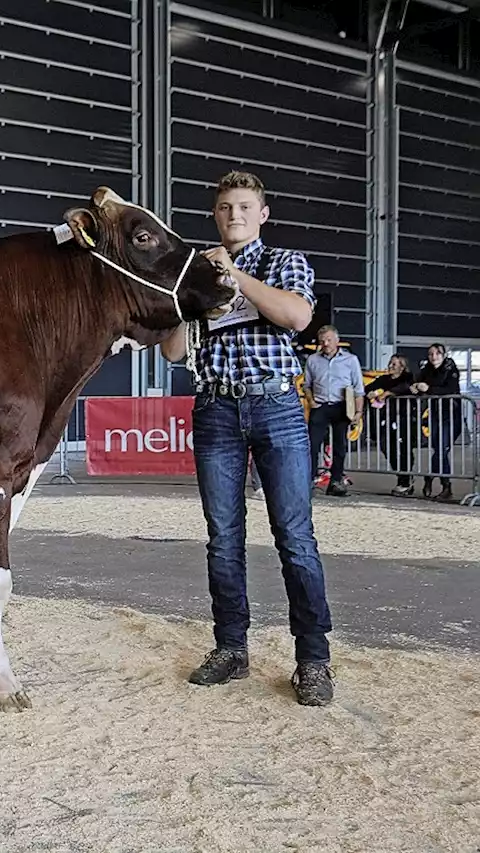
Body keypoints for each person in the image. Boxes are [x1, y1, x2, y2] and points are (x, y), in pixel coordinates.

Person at [159, 170, 335, 707]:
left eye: (243, 207)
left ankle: (312, 658)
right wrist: (184, 300)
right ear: (215, 215)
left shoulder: (283, 264)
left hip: (276, 405)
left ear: (262, 215)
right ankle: (231, 648)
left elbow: (297, 315)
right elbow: (172, 352)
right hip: (215, 406)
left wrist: (232, 273)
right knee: (223, 538)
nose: (233, 215)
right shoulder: (198, 274)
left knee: (295, 537)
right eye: (224, 208)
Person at [303, 326, 364, 497]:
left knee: (340, 446)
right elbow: (306, 385)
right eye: (322, 340)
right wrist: (311, 401)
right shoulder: (313, 360)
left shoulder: (351, 360)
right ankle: (309, 480)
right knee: (312, 445)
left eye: (329, 340)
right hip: (320, 406)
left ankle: (336, 481)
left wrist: (358, 413)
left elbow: (358, 388)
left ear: (337, 341)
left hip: (341, 406)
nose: (326, 343)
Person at [410, 343, 462, 503]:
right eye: (431, 354)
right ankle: (442, 484)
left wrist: (428, 389)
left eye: (437, 353)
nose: (434, 357)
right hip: (434, 414)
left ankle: (438, 482)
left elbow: (450, 389)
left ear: (444, 355)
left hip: (451, 415)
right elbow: (417, 382)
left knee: (441, 450)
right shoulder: (426, 370)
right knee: (438, 450)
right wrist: (416, 387)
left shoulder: (451, 369)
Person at [364, 353, 417, 496]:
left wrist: (388, 393)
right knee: (386, 446)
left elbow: (408, 387)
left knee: (404, 449)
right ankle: (401, 475)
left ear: (402, 367)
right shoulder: (384, 379)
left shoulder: (408, 378)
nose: (390, 366)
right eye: (390, 363)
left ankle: (405, 480)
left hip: (404, 418)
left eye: (394, 364)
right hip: (387, 419)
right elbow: (369, 388)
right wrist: (371, 393)